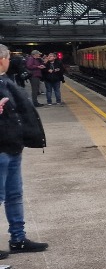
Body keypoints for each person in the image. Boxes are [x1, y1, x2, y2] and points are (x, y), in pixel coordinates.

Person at [0, 44, 48, 255]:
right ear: (2, 59)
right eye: (8, 57)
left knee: (14, 195)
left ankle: (18, 239)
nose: (10, 61)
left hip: (12, 147)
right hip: (1, 149)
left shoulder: (5, 80)